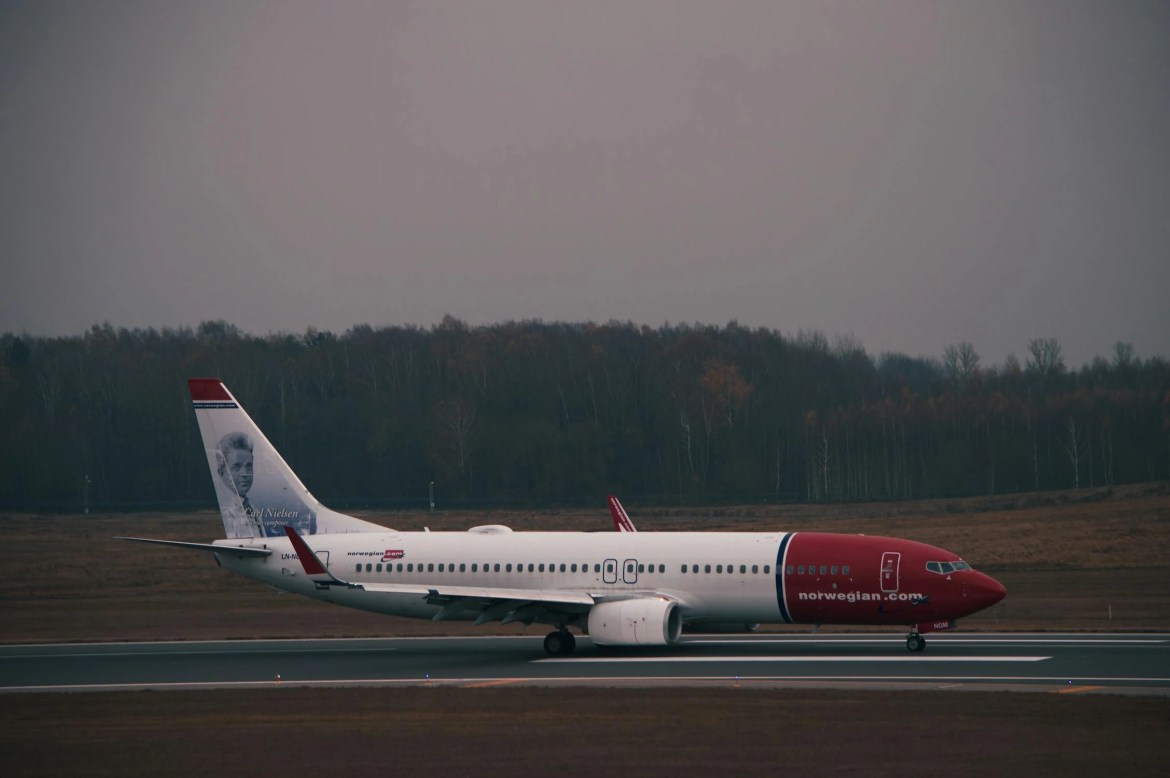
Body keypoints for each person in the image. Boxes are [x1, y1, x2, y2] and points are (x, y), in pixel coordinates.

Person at [215, 432, 263, 537]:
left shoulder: (254, 511)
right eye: (237, 467)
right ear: (221, 473)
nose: (245, 474)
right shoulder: (225, 514)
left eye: (249, 466)